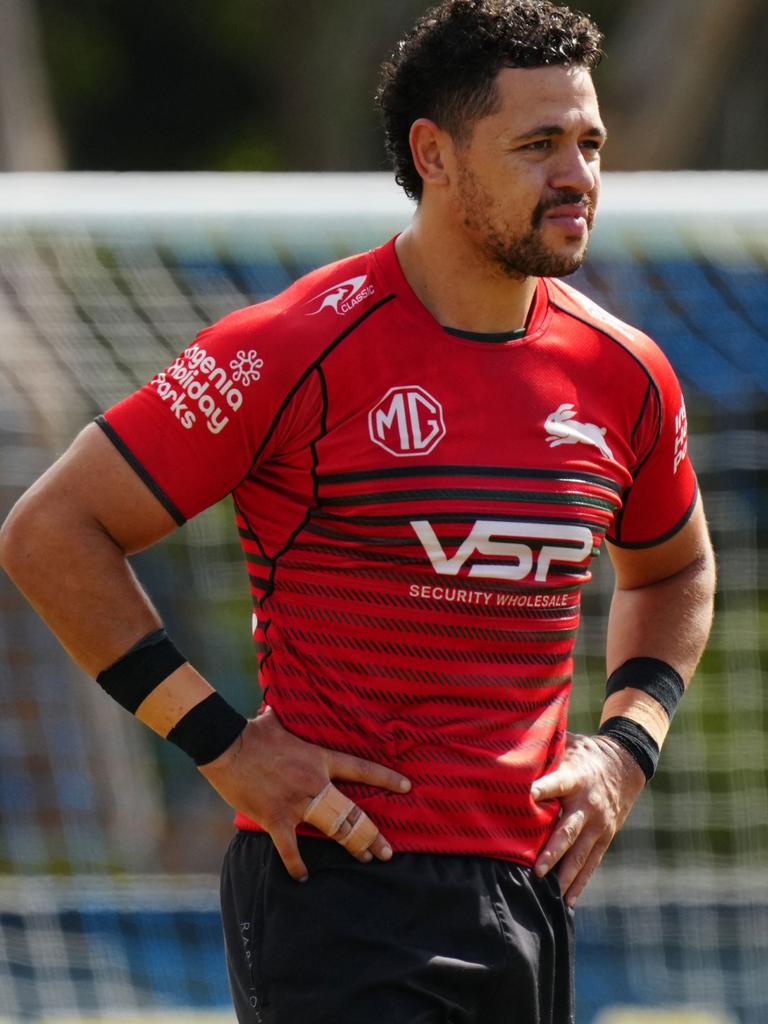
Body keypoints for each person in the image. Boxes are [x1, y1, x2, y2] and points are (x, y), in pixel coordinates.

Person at [0, 1, 716, 1022]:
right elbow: (51, 532)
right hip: (339, 881)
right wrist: (222, 744)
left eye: (590, 142)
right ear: (434, 153)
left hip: (530, 887)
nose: (578, 175)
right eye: (537, 144)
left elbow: (676, 569)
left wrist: (625, 745)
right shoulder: (293, 348)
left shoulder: (626, 374)